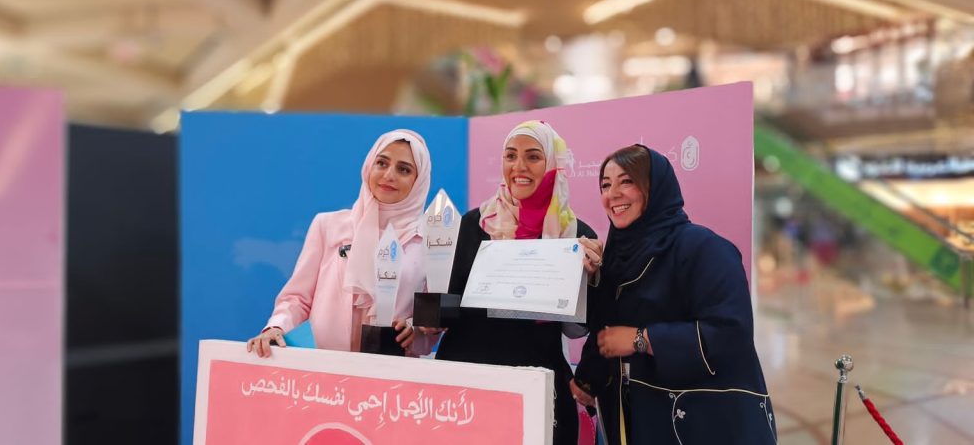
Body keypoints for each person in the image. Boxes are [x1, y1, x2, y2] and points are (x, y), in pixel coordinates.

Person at [570, 145, 776, 444]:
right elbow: (609, 329)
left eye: (626, 181)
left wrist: (642, 338)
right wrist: (588, 377)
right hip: (640, 417)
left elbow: (731, 332)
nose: (612, 194)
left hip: (704, 422)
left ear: (656, 187)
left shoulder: (703, 248)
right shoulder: (615, 256)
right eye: (605, 184)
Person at [435, 120, 602, 444]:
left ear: (553, 164)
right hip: (469, 380)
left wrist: (589, 279)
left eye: (533, 156)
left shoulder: (576, 236)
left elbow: (576, 330)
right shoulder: (476, 223)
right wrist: (428, 320)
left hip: (537, 381)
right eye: (510, 156)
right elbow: (453, 302)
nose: (519, 166)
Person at [247, 129, 438, 358]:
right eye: (381, 163)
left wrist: (415, 332)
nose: (389, 175)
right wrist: (277, 326)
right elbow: (297, 298)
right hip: (325, 367)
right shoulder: (328, 225)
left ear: (419, 181)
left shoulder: (431, 242)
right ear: (368, 166)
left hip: (391, 370)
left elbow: (431, 326)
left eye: (404, 169)